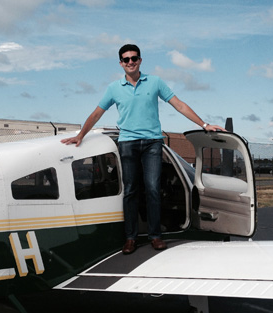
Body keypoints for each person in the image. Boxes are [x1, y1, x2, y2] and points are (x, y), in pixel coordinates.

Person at [61, 44, 224, 254]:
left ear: (140, 60)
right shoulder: (114, 88)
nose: (130, 62)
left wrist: (204, 125)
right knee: (130, 191)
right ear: (121, 63)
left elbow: (179, 104)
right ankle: (130, 238)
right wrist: (80, 136)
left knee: (153, 189)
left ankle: (155, 236)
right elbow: (96, 113)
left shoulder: (155, 82)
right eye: (126, 59)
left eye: (134, 58)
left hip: (152, 143)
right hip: (127, 143)